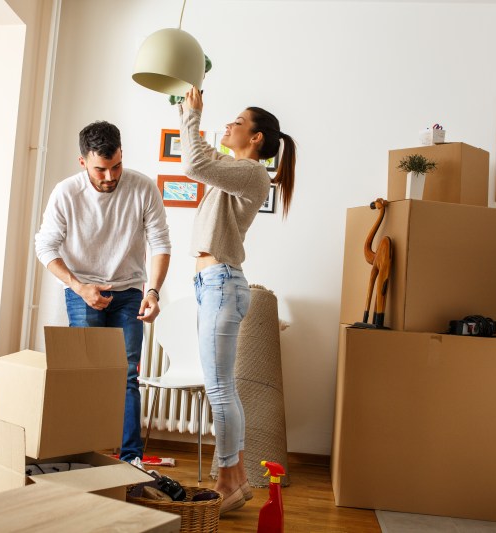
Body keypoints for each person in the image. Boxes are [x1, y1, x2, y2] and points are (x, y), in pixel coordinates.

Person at [178, 86, 296, 514]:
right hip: (215, 284)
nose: (228, 124)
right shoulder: (235, 169)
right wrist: (184, 108)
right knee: (224, 389)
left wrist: (193, 115)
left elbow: (192, 160)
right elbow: (203, 158)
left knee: (221, 391)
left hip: (221, 283)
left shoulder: (253, 173)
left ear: (257, 138)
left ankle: (227, 481)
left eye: (238, 122)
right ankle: (240, 477)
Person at [35, 120, 171, 464]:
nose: (110, 177)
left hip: (128, 291)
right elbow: (45, 247)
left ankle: (131, 459)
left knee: (126, 374)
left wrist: (152, 292)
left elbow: (160, 242)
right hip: (82, 290)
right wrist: (79, 286)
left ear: (122, 155)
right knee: (85, 376)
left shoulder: (142, 188)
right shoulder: (66, 192)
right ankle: (82, 455)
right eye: (101, 169)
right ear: (83, 162)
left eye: (116, 166)